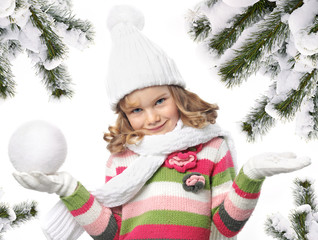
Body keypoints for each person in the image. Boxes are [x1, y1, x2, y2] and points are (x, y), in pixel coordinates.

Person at [13, 5, 311, 240]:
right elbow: (110, 233)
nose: (152, 117)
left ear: (177, 95)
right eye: (136, 111)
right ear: (125, 115)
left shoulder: (212, 148)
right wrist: (68, 189)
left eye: (159, 101)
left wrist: (252, 174)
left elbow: (226, 224)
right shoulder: (122, 157)